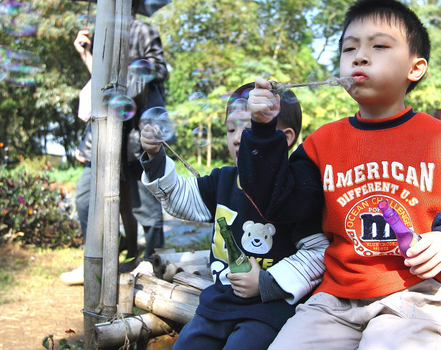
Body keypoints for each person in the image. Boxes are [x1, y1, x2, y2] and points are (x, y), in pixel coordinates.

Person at [237, 0, 441, 349]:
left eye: (379, 46)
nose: (359, 57)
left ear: (416, 68)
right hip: (336, 297)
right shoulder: (322, 144)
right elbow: (277, 201)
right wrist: (263, 134)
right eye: (349, 48)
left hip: (417, 293)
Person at [139, 83, 327, 350]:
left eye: (250, 128)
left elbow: (317, 254)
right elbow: (180, 198)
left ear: (284, 138)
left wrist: (266, 283)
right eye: (231, 129)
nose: (238, 137)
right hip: (218, 303)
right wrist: (155, 157)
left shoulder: (295, 190)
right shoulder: (223, 180)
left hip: (269, 310)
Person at [61, 0, 169, 284]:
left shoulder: (143, 30)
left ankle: (152, 261)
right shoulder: (102, 35)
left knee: (144, 202)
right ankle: (98, 257)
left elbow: (159, 69)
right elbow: (100, 83)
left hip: (136, 129)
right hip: (105, 129)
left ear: (126, 2)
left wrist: (128, 82)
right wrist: (86, 53)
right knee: (85, 197)